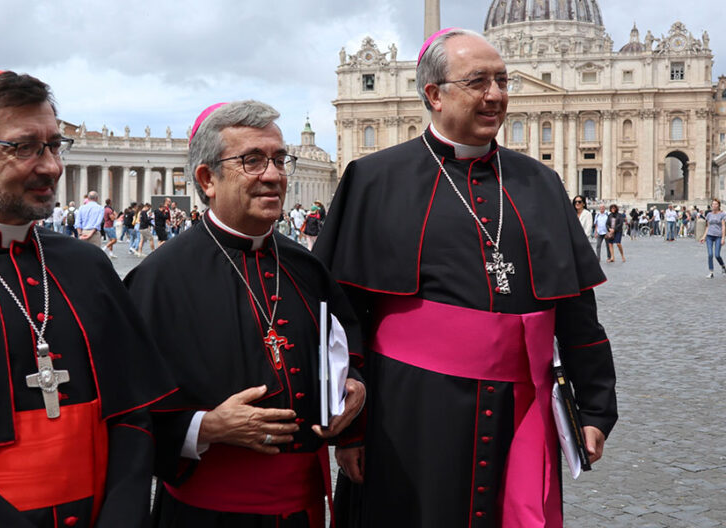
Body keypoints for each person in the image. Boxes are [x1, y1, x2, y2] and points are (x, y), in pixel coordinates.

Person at [314, 29, 617, 527]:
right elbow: (343, 317)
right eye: (478, 82)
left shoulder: (541, 183)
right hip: (408, 414)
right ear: (434, 94)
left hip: (520, 410)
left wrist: (596, 408)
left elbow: (577, 309)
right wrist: (351, 430)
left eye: (502, 81)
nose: (495, 95)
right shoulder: (373, 180)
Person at [125, 100, 366, 527]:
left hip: (304, 509)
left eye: (279, 159)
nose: (273, 175)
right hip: (207, 515)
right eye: (252, 161)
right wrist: (206, 427)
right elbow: (127, 408)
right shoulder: (159, 278)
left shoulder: (307, 266)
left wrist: (354, 387)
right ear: (207, 179)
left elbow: (346, 346)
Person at [0, 69, 175, 526]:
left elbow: (132, 414)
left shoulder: (86, 265)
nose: (52, 166)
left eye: (55, 146)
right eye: (24, 147)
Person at [700, 198, 726, 278]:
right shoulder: (709, 214)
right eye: (713, 204)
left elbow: (723, 226)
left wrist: (723, 238)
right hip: (709, 236)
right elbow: (707, 226)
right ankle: (711, 272)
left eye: (716, 204)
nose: (714, 205)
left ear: (718, 206)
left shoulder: (722, 214)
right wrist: (704, 237)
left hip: (718, 236)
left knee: (717, 255)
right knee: (710, 254)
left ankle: (723, 266)